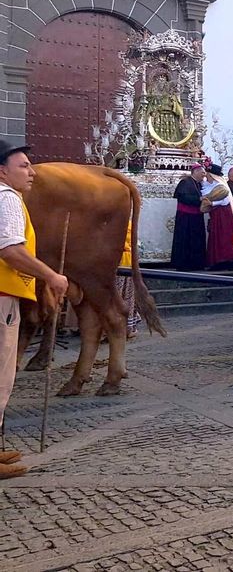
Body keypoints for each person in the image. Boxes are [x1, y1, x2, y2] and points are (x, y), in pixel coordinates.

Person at [0, 143, 71, 479]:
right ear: (3, 170)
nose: (32, 173)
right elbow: (11, 250)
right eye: (24, 166)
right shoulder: (7, 198)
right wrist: (51, 276)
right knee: (1, 374)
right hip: (2, 296)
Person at [170, 164, 207, 271]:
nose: (204, 175)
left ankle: (196, 263)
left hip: (196, 217)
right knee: (185, 240)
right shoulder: (185, 182)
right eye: (202, 173)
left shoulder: (199, 184)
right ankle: (184, 264)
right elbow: (182, 197)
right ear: (195, 172)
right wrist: (199, 199)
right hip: (186, 218)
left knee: (197, 240)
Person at [201, 165, 233, 271]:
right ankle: (217, 260)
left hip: (223, 216)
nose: (206, 177)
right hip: (217, 214)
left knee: (224, 237)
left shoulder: (220, 185)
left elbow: (225, 200)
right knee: (216, 237)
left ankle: (227, 260)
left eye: (207, 175)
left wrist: (211, 203)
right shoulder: (211, 185)